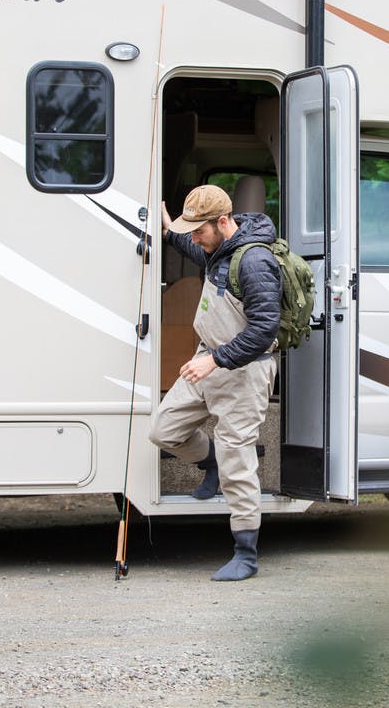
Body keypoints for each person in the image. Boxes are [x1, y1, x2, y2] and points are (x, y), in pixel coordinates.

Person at [150, 184, 281, 581]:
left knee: (237, 461)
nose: (194, 240)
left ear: (223, 222)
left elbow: (264, 328)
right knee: (163, 430)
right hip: (207, 362)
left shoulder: (254, 261)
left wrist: (215, 360)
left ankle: (245, 554)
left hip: (243, 371)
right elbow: (189, 245)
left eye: (199, 231)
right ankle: (209, 464)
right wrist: (169, 228)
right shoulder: (215, 248)